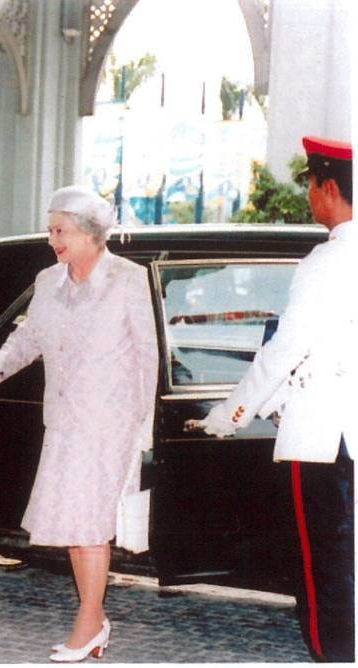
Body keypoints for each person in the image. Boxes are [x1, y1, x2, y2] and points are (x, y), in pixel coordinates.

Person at [197, 136, 355, 662]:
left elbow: (285, 351)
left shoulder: (325, 262)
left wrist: (229, 414)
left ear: (328, 188)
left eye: (311, 186)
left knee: (325, 565)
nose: (311, 198)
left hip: (323, 437)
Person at [0, 185, 157, 662]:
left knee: (90, 528)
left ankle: (89, 622)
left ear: (89, 234)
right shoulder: (47, 281)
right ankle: (94, 620)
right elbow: (30, 339)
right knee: (76, 526)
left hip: (109, 425)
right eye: (50, 229)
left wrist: (145, 430)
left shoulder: (129, 279)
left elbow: (149, 357)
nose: (51, 239)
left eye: (59, 230)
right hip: (63, 422)